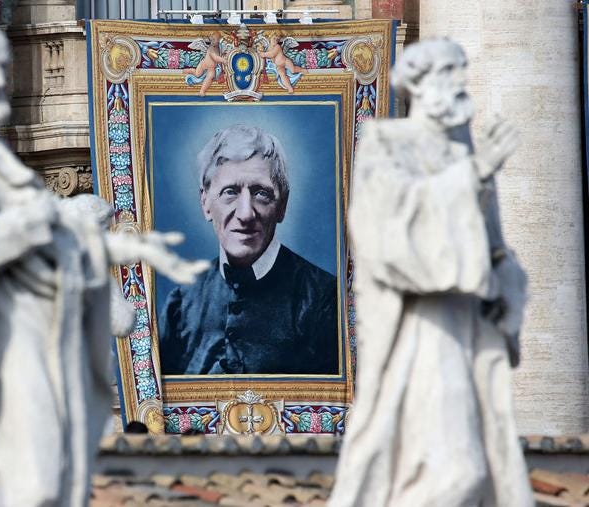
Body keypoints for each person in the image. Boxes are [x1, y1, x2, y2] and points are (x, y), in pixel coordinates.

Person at [0, 21, 206, 507]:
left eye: (1, 69)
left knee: (46, 475)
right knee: (29, 475)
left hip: (29, 334)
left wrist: (117, 249)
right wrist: (36, 221)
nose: (1, 82)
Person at [329, 39, 533, 506]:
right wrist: (475, 173)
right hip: (423, 330)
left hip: (472, 328)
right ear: (417, 82)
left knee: (482, 475)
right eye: (447, 71)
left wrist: (509, 286)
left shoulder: (464, 152)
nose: (459, 82)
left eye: (461, 71)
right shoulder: (385, 144)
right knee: (455, 473)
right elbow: (384, 233)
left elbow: (494, 245)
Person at [159, 124, 339, 375]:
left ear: (282, 205)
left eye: (261, 193)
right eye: (230, 192)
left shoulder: (325, 299)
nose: (245, 214)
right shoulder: (181, 302)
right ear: (205, 203)